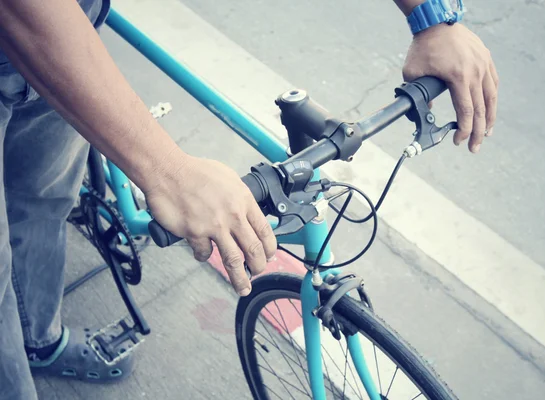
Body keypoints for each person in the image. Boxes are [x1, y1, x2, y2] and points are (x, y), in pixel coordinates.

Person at [0, 0, 498, 398]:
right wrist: (166, 170)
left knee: (43, 199)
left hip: (69, 30)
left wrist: (431, 16)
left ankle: (38, 338)